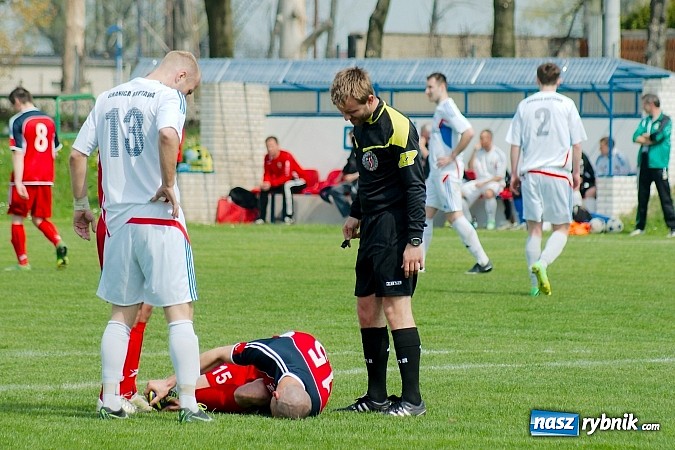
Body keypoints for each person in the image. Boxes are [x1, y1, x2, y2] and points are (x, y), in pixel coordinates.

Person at [69, 50, 210, 422]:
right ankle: (189, 404)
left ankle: (111, 399)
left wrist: (80, 204)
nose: (187, 96)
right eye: (190, 90)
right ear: (181, 75)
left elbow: (77, 155)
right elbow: (167, 134)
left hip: (117, 223)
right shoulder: (168, 96)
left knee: (121, 315)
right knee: (179, 312)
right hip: (159, 220)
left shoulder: (107, 97)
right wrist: (168, 183)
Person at [330, 67, 426, 417]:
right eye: (344, 112)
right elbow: (368, 179)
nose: (348, 118)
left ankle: (413, 400)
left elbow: (415, 187)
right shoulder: (359, 129)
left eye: (352, 111)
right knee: (366, 308)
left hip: (396, 228)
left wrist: (414, 240)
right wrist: (355, 213)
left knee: (396, 308)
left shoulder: (398, 126)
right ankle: (376, 397)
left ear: (370, 99)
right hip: (371, 227)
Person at [506, 62, 587, 297]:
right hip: (557, 172)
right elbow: (577, 144)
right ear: (559, 80)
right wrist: (576, 172)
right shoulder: (566, 104)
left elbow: (515, 144)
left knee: (534, 229)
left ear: (537, 80)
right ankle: (542, 263)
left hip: (531, 173)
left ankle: (534, 286)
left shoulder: (525, 105)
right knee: (562, 227)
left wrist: (514, 173)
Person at [145, 331, 333, 419]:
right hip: (283, 352)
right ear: (274, 394)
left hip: (290, 371)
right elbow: (219, 355)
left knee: (251, 394)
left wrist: (190, 402)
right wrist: (169, 383)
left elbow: (290, 403)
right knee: (190, 386)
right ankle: (175, 393)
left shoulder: (310, 406)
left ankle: (189, 399)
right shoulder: (266, 354)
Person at [423, 73, 492, 274]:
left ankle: (483, 261)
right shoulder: (441, 109)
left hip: (447, 173)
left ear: (442, 86)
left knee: (454, 216)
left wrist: (452, 156)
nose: (427, 91)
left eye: (430, 87)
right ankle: (419, 264)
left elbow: (468, 132)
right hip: (436, 174)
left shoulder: (447, 107)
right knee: (424, 214)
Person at [6, 87, 68, 271]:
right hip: (46, 177)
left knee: (17, 219)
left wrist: (18, 181)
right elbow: (54, 151)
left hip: (26, 177)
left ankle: (23, 262)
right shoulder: (49, 120)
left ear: (17, 101)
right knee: (39, 218)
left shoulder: (18, 120)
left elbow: (18, 152)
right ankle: (58, 241)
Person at [630, 93, 675, 237]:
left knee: (664, 196)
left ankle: (672, 227)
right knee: (642, 195)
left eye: (644, 104)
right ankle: (640, 226)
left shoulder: (665, 120)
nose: (643, 107)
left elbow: (658, 136)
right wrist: (649, 139)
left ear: (651, 104)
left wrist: (648, 137)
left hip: (658, 163)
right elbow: (635, 136)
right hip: (644, 162)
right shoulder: (645, 121)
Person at [461, 129, 507, 230]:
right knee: (460, 194)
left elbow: (499, 176)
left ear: (489, 138)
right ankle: (469, 221)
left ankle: (491, 221)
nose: (481, 140)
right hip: (479, 182)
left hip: (494, 182)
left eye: (483, 138)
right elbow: (470, 167)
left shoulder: (498, 154)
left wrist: (484, 183)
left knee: (488, 193)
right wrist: (474, 151)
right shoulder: (479, 152)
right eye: (480, 138)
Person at [255, 136, 306, 224]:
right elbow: (267, 173)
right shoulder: (267, 158)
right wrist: (266, 183)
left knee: (287, 186)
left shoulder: (286, 156)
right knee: (264, 189)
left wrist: (271, 183)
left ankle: (288, 217)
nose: (270, 149)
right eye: (268, 146)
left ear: (277, 146)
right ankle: (261, 218)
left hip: (298, 181)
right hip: (281, 183)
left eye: (272, 146)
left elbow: (287, 176)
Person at [319, 146, 359, 217]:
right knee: (334, 190)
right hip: (349, 182)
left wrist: (353, 176)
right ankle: (349, 216)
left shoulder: (366, 149)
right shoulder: (354, 150)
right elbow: (347, 165)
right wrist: (338, 179)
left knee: (354, 193)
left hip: (361, 181)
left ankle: (358, 216)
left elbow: (368, 170)